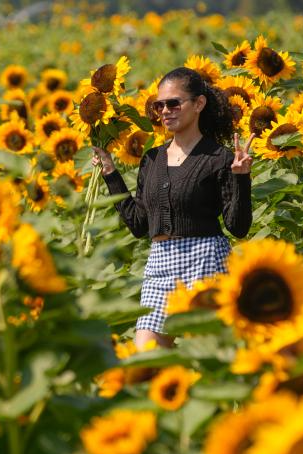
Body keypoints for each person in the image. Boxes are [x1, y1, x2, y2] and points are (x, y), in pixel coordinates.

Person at [92, 66, 253, 350]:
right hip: (159, 263)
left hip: (206, 260)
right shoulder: (152, 159)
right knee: (146, 358)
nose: (165, 111)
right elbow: (139, 224)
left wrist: (240, 178)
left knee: (212, 356)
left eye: (174, 103)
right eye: (160, 105)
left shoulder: (218, 158)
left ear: (199, 104)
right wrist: (110, 173)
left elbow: (237, 227)